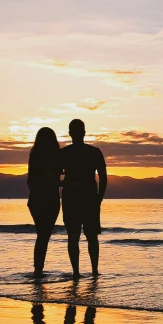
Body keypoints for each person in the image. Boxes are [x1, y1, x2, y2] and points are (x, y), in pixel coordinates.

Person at [61, 119, 107, 277]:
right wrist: (99, 199)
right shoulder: (95, 152)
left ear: (70, 134)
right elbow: (103, 178)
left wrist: (67, 184)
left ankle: (76, 273)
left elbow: (54, 177)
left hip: (71, 200)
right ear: (84, 133)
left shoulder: (64, 153)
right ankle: (94, 271)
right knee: (92, 237)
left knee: (73, 236)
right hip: (90, 199)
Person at [26, 127, 62, 278]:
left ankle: (38, 268)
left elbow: (31, 181)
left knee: (42, 235)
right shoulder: (54, 157)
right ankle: (38, 269)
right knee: (44, 235)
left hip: (35, 199)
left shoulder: (34, 156)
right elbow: (52, 180)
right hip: (50, 199)